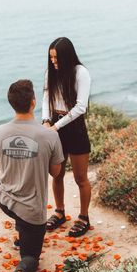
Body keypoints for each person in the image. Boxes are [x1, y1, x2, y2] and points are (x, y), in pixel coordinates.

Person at [0, 79, 64, 272]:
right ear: (33, 102)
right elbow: (56, 173)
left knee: (21, 217)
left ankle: (23, 236)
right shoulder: (49, 135)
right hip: (31, 210)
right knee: (31, 256)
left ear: (12, 104)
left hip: (4, 200)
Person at [42, 37, 91, 238]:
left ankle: (83, 217)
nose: (53, 62)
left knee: (80, 177)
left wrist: (56, 126)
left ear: (66, 56)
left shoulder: (81, 73)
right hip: (54, 124)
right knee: (57, 174)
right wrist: (46, 121)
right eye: (51, 58)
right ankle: (60, 212)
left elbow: (81, 107)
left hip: (74, 127)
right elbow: (46, 99)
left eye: (56, 58)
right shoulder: (50, 73)